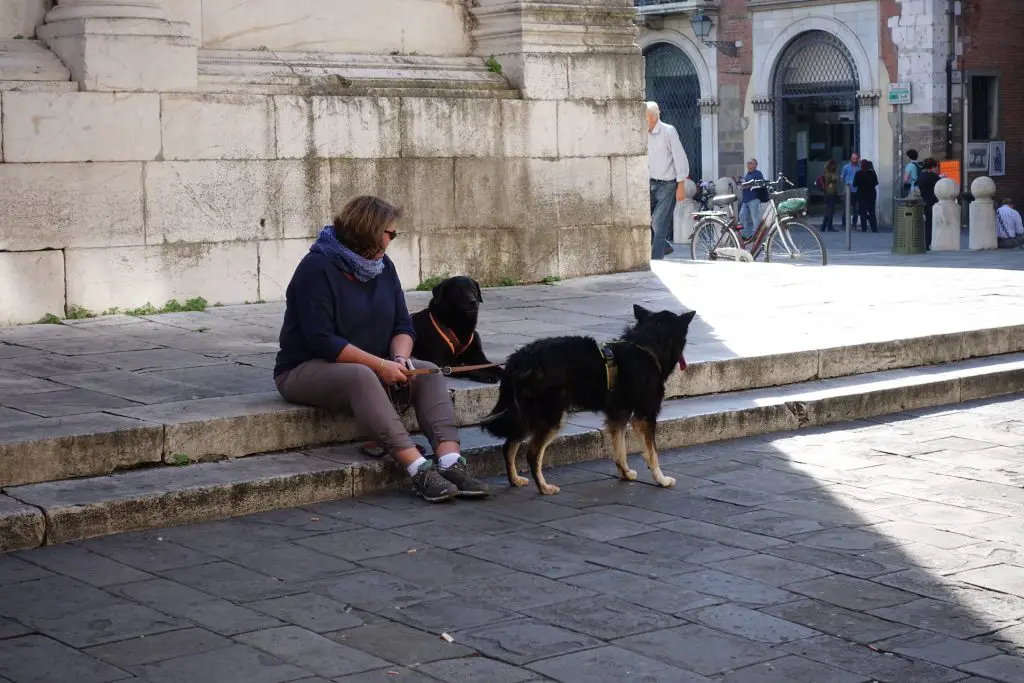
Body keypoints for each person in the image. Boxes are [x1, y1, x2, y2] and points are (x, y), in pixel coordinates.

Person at [273, 195, 490, 503]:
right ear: (370, 230)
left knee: (425, 370)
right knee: (360, 376)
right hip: (305, 368)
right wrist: (379, 365)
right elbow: (321, 339)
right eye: (391, 233)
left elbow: (403, 324)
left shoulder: (382, 267)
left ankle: (451, 461)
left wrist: (400, 358)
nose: (393, 239)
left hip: (371, 363)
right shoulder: (316, 268)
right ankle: (417, 468)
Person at [646, 101, 689, 259]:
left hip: (668, 185)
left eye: (643, 117)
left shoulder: (669, 131)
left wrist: (681, 185)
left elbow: (680, 158)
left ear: (654, 117)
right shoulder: (642, 133)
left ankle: (656, 259)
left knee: (659, 222)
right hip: (650, 183)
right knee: (643, 219)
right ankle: (663, 245)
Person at [917, 158, 941, 249]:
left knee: (926, 223)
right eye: (936, 167)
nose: (937, 169)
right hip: (933, 202)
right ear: (932, 167)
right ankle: (928, 242)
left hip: (924, 201)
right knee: (930, 224)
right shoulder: (933, 176)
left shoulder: (921, 175)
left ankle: (925, 243)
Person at [738, 159, 765, 239]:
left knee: (755, 218)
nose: (748, 165)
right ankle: (743, 235)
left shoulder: (758, 173)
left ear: (755, 165)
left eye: (750, 163)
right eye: (748, 163)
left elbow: (757, 183)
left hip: (754, 198)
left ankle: (755, 235)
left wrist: (746, 184)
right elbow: (745, 184)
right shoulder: (747, 174)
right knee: (742, 216)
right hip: (745, 199)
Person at [853, 159, 879, 233]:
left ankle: (864, 228)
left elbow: (855, 184)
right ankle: (874, 228)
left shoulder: (858, 173)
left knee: (863, 213)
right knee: (872, 212)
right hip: (871, 194)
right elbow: (876, 183)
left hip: (861, 194)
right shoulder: (872, 173)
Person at [840, 152, 862, 230]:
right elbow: (842, 177)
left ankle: (854, 224)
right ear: (851, 158)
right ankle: (844, 224)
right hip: (848, 190)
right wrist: (846, 184)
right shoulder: (846, 167)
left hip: (856, 191)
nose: (855, 160)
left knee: (856, 209)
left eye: (856, 158)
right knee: (846, 208)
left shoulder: (859, 168)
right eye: (853, 158)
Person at [820, 159, 840, 232]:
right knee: (830, 211)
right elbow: (834, 180)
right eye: (834, 165)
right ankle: (829, 226)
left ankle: (823, 226)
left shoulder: (825, 172)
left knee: (828, 210)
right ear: (831, 165)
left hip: (827, 193)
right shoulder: (830, 173)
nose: (836, 166)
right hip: (830, 193)